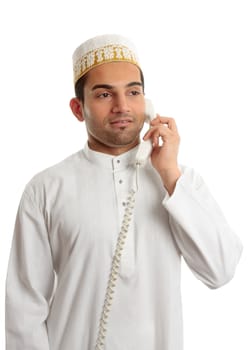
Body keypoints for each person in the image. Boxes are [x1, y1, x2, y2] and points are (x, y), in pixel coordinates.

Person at [5, 34, 242, 350]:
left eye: (133, 92)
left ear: (147, 103)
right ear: (78, 108)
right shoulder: (46, 189)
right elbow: (24, 306)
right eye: (104, 94)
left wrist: (170, 175)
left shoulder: (182, 182)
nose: (122, 106)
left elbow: (221, 271)